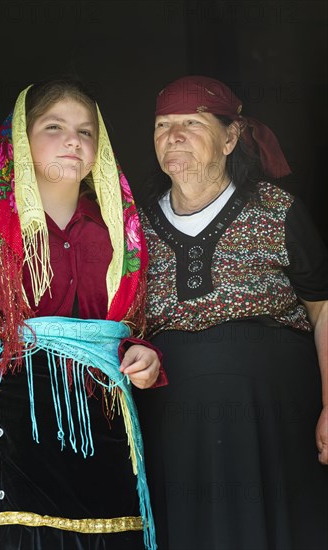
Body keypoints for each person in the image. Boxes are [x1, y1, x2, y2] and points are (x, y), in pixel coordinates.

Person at [0, 77, 166, 550]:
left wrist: (145, 354)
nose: (74, 140)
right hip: (11, 429)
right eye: (54, 126)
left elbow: (134, 328)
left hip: (106, 428)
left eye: (87, 131)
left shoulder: (120, 231)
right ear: (19, 139)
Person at [134, 75, 328, 550]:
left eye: (191, 123)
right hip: (176, 432)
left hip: (276, 427)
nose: (172, 136)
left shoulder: (277, 210)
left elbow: (323, 309)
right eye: (162, 125)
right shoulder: (134, 227)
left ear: (230, 136)